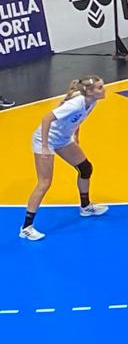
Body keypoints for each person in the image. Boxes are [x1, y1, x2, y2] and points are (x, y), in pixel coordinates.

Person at [20, 76, 108, 241]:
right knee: (44, 182)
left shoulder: (92, 102)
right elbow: (46, 119)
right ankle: (26, 227)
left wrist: (75, 135)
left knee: (85, 168)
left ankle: (85, 207)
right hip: (45, 139)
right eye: (100, 87)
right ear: (89, 91)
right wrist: (45, 147)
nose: (104, 89)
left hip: (63, 139)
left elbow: (78, 119)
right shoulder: (75, 103)